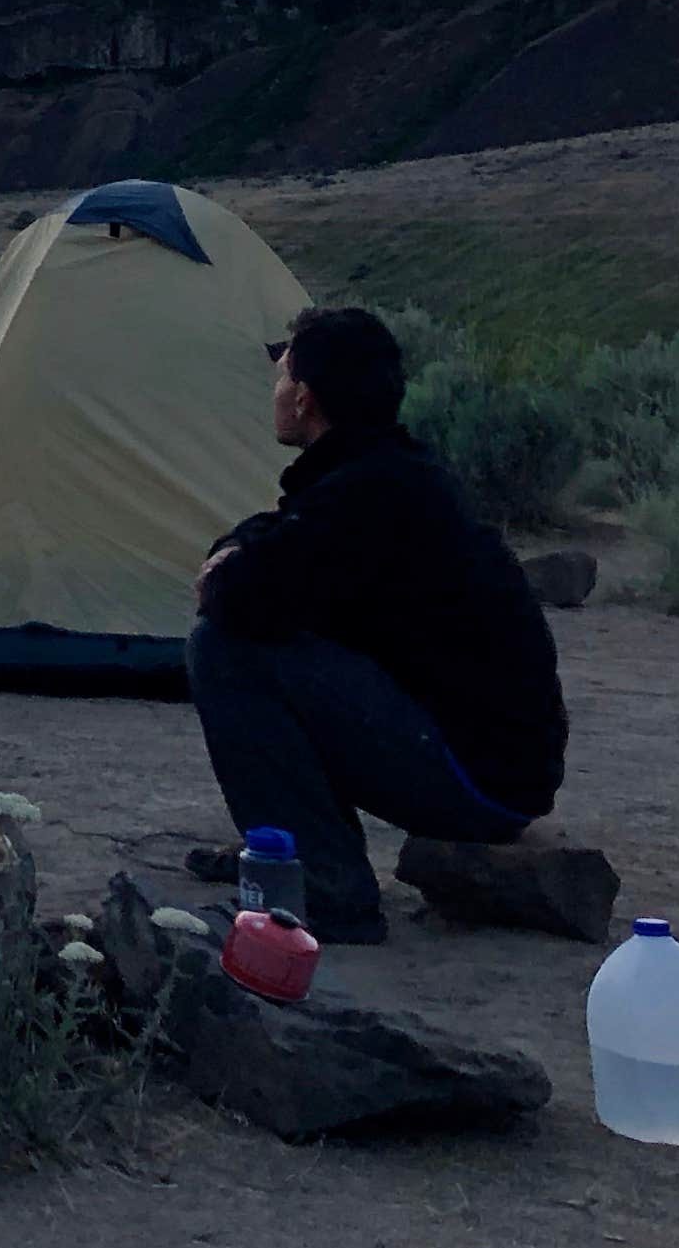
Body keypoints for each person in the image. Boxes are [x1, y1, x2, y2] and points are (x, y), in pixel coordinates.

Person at [183, 303, 567, 943]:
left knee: (226, 651)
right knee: (278, 636)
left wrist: (230, 569)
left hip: (478, 778)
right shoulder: (381, 473)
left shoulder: (372, 492)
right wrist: (241, 555)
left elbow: (241, 597)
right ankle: (289, 851)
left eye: (282, 378)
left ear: (304, 399)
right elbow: (276, 534)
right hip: (491, 761)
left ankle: (326, 893)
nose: (274, 391)